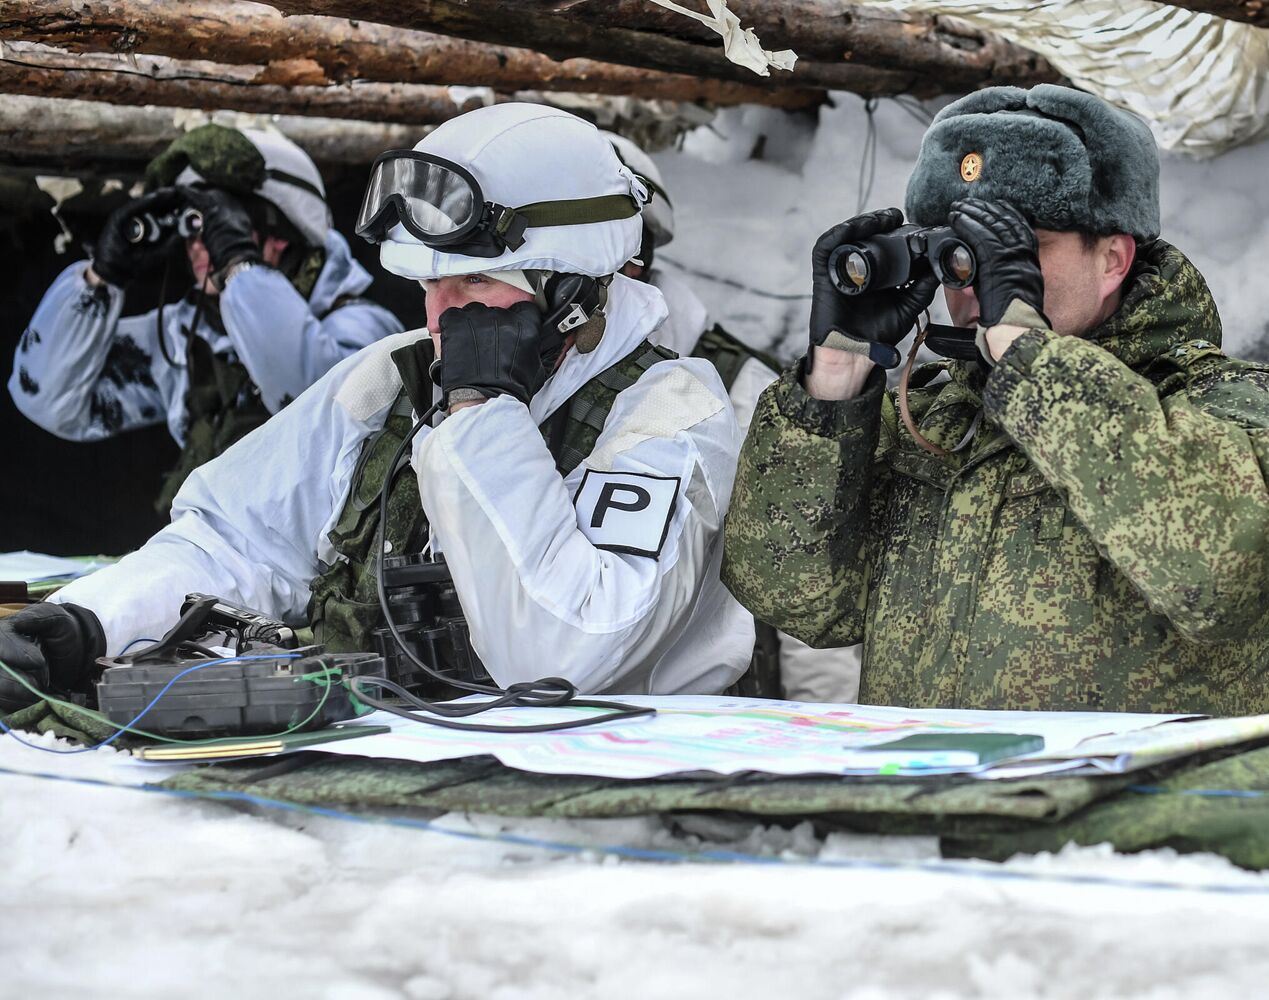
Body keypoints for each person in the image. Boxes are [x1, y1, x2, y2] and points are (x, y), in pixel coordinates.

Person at [0, 103, 747, 714]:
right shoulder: (390, 379)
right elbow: (238, 542)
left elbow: (564, 656)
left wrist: (482, 411)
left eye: (473, 285)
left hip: (589, 841)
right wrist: (87, 621)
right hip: (385, 794)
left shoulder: (672, 413)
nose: (439, 315)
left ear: (571, 286)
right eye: (428, 285)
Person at [721, 84, 1269, 716]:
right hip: (939, 802)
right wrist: (835, 382)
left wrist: (1030, 358)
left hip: (1130, 809)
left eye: (1016, 250)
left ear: (1114, 258)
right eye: (962, 255)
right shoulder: (936, 420)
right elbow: (795, 595)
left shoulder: (1233, 403)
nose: (980, 281)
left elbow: (1222, 571)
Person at [9, 124, 402, 510]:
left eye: (217, 224)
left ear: (280, 231)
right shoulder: (190, 337)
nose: (197, 244)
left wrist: (239, 270)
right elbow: (50, 401)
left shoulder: (363, 330)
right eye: (194, 226)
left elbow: (312, 404)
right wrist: (102, 276)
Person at [601, 131, 861, 702]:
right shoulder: (477, 382)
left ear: (635, 260)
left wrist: (821, 735)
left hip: (704, 720)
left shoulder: (738, 390)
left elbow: (805, 564)